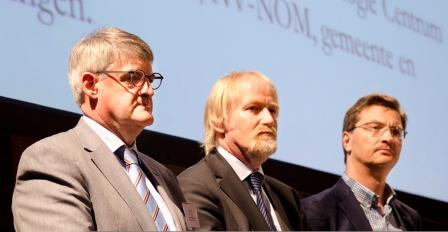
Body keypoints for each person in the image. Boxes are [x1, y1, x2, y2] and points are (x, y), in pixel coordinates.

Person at [12, 27, 187, 231]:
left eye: (149, 79)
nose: (148, 90)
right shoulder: (52, 160)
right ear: (90, 85)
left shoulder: (163, 175)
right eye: (133, 78)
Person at [177, 71, 308, 231]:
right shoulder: (195, 185)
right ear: (219, 121)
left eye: (273, 110)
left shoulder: (287, 197)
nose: (269, 120)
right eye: (253, 108)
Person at [301, 93, 422, 231]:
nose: (388, 138)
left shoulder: (410, 219)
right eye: (375, 127)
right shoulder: (314, 211)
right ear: (347, 141)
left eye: (396, 132)